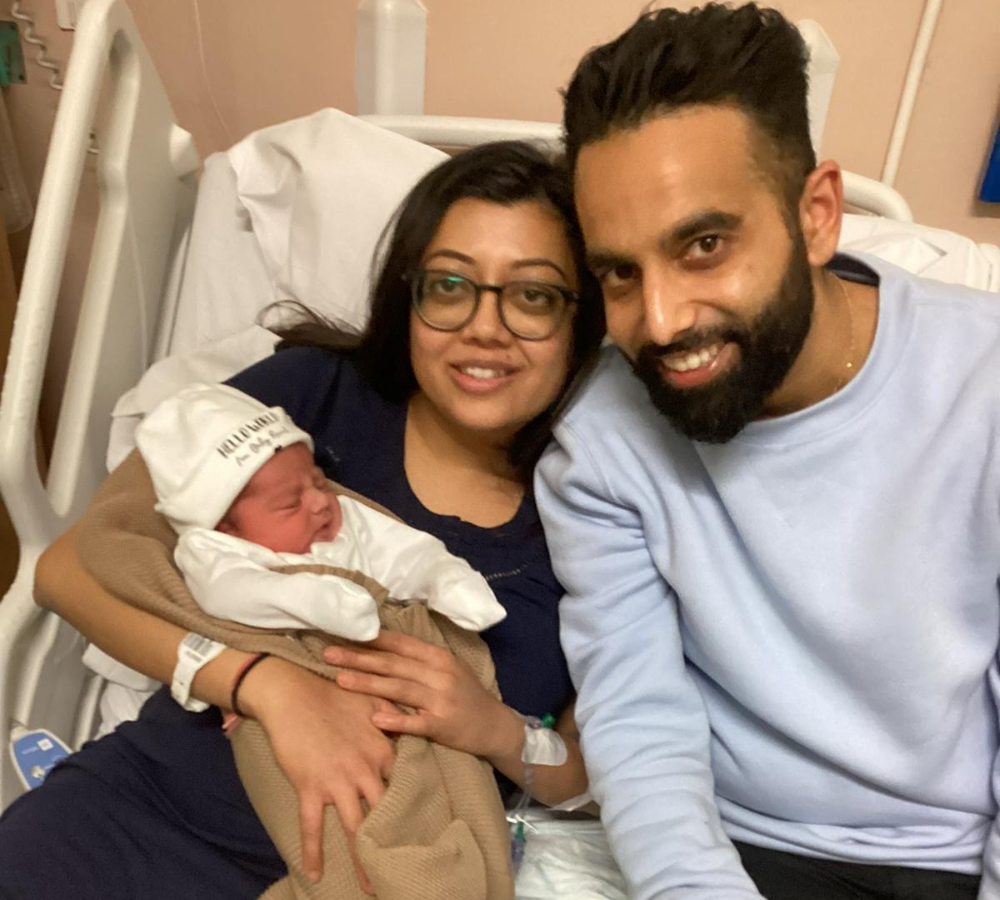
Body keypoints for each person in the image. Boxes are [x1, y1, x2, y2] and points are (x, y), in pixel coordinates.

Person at [0, 140, 604, 900]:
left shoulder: (596, 514)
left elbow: (588, 771)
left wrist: (489, 727)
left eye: (533, 296)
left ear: (582, 322)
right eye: (449, 285)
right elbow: (70, 569)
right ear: (407, 294)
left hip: (382, 872)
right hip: (151, 812)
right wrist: (264, 684)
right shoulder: (311, 395)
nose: (485, 327)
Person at [534, 4, 1000, 900]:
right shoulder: (600, 438)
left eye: (704, 245)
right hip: (721, 847)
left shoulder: (981, 387)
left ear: (817, 214)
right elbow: (636, 719)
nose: (662, 320)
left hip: (945, 857)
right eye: (619, 273)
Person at [136, 382, 506, 641]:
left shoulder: (342, 518)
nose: (319, 502)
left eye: (319, 481)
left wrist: (443, 578)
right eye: (290, 502)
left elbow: (403, 552)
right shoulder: (216, 551)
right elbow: (230, 592)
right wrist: (312, 601)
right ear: (225, 527)